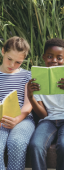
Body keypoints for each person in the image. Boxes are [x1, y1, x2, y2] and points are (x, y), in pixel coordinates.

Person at [28, 38, 64, 170]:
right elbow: (43, 114)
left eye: (59, 58)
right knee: (35, 145)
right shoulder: (38, 79)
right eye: (50, 57)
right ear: (44, 57)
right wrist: (30, 97)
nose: (54, 61)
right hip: (48, 120)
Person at [0, 36, 35, 170]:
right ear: (3, 51)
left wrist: (17, 119)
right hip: (1, 119)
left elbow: (28, 104)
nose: (12, 65)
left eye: (18, 62)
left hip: (23, 119)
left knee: (17, 143)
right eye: (9, 59)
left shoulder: (27, 75)